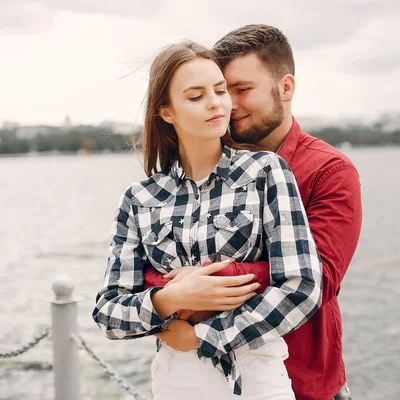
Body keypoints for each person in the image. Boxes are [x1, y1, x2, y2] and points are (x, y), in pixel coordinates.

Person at [92, 40, 322, 399]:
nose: (216, 102)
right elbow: (108, 313)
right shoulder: (139, 199)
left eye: (220, 90)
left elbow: (302, 286)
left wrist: (205, 337)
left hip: (256, 375)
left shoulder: (266, 172)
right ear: (167, 112)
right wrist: (169, 299)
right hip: (175, 379)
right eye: (196, 96)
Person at [145, 25, 362, 400]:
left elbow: (319, 279)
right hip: (204, 380)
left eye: (242, 90)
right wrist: (168, 293)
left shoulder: (329, 172)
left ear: (286, 88)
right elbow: (149, 266)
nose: (229, 104)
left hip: (303, 378)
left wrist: (205, 280)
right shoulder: (195, 171)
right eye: (220, 90)